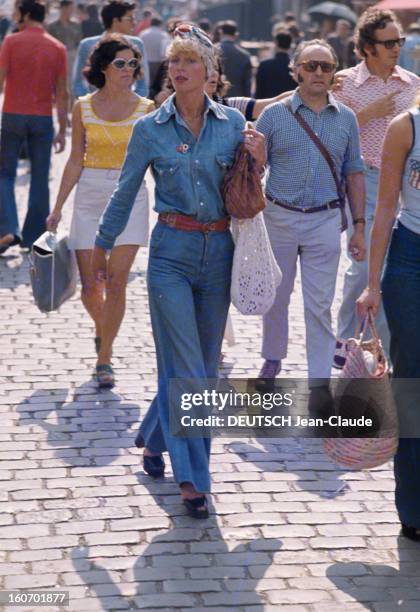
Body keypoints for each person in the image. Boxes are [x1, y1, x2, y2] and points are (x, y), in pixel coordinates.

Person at [92, 24, 266, 517]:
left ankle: (152, 437)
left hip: (219, 254)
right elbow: (125, 191)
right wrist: (103, 249)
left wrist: (261, 159)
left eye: (190, 62)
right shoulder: (150, 128)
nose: (180, 69)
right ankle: (194, 479)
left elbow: (248, 190)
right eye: (174, 62)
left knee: (201, 370)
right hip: (170, 253)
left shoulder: (233, 126)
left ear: (210, 75)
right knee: (189, 370)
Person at [255, 39, 365, 399]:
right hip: (279, 216)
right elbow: (255, 169)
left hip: (325, 220)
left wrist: (359, 225)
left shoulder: (346, 118)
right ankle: (273, 358)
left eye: (326, 66)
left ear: (335, 72)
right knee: (276, 296)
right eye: (311, 66)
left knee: (319, 304)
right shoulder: (275, 115)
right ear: (296, 70)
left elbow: (354, 172)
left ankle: (319, 383)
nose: (319, 73)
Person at [47, 35, 153, 387]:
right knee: (91, 287)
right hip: (90, 196)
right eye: (121, 63)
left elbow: (158, 161)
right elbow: (75, 158)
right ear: (104, 68)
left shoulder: (147, 109)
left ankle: (104, 359)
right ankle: (102, 328)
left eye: (133, 63)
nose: (128, 69)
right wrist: (58, 207)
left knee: (117, 281)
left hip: (131, 196)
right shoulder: (83, 107)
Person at [334, 8, 420, 368]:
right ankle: (345, 339)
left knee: (388, 269)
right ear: (368, 47)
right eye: (387, 43)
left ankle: (379, 346)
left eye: (398, 41)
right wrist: (368, 112)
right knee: (363, 264)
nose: (395, 49)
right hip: (364, 179)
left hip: (407, 182)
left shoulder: (412, 83)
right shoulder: (344, 83)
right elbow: (334, 134)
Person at [357, 98, 420, 542]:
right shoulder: (407, 127)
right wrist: (372, 284)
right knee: (412, 381)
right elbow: (385, 208)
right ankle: (414, 507)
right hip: (410, 261)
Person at [0, 0, 68, 253]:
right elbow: (62, 92)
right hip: (42, 117)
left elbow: (0, 80)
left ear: (26, 15)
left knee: (5, 173)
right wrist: (62, 127)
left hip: (13, 115)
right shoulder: (57, 47)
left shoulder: (11, 42)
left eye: (17, 12)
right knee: (40, 176)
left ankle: (7, 229)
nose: (15, 16)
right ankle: (34, 237)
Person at [72, 0, 149, 98]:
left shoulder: (136, 44)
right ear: (115, 20)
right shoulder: (87, 45)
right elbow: (77, 82)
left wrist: (134, 104)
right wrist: (90, 103)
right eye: (130, 18)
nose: (134, 22)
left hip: (128, 107)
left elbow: (143, 83)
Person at [48, 0, 82, 107]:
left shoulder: (76, 25)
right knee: (59, 83)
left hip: (72, 56)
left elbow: (79, 42)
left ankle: (71, 109)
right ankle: (60, 108)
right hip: (57, 57)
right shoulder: (52, 26)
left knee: (71, 83)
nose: (71, 11)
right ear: (63, 8)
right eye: (70, 8)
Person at [255, 28, 297, 99]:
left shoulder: (264, 65)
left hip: (267, 106)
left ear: (276, 43)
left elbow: (259, 93)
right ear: (290, 45)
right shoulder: (295, 67)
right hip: (289, 107)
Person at [216, 20, 252, 97]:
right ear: (236, 34)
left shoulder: (212, 50)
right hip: (237, 100)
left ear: (221, 32)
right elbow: (247, 84)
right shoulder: (244, 55)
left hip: (215, 98)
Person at [140, 14, 169, 85]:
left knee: (147, 82)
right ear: (160, 24)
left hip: (146, 61)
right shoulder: (164, 35)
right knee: (157, 83)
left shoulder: (143, 34)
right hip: (159, 63)